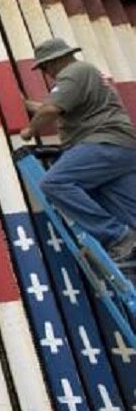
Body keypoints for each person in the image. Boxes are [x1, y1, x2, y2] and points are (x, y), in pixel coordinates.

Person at [21, 37, 136, 262]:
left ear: (54, 61)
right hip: (122, 149)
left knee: (54, 183)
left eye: (44, 67)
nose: (47, 73)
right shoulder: (87, 74)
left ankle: (116, 235)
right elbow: (53, 106)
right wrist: (28, 105)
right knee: (126, 208)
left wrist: (29, 131)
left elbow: (51, 110)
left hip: (103, 143)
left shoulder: (74, 72)